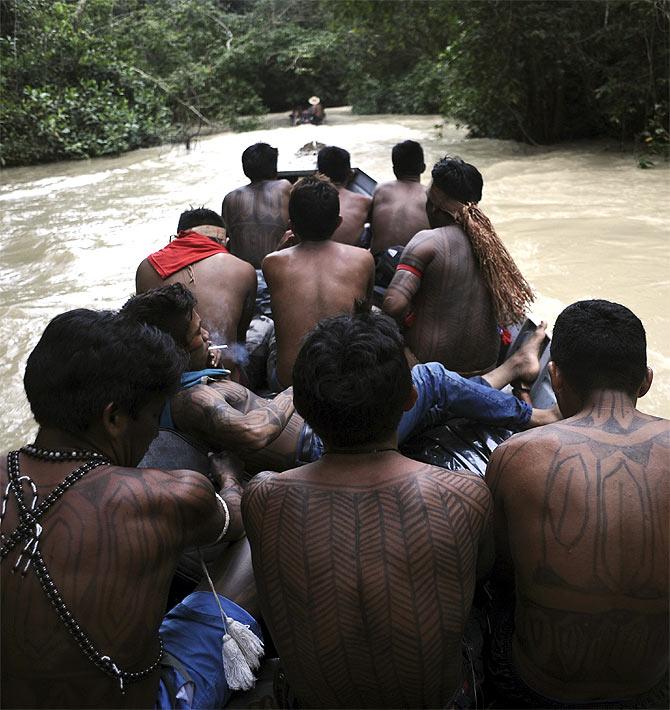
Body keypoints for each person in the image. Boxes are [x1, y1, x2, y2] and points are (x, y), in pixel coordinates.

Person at [0, 309, 262, 708]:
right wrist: (228, 478)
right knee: (258, 531)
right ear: (115, 418)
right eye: (155, 415)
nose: (156, 431)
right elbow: (236, 515)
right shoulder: (167, 495)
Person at [242, 311, 494, 707]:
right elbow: (478, 572)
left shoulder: (262, 497)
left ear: (303, 412)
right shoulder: (463, 495)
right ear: (411, 399)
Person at [121, 284, 559, 478]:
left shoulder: (180, 387)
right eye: (198, 333)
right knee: (434, 378)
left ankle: (511, 370)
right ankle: (538, 413)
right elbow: (253, 431)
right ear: (174, 351)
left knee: (435, 397)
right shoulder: (193, 397)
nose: (207, 336)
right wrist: (294, 393)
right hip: (318, 443)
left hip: (313, 434)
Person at [485, 300, 669, 708]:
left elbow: (497, 565)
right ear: (646, 381)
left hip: (540, 689)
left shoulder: (516, 455)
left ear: (556, 376)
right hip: (650, 686)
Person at [383, 156, 534, 377]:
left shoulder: (426, 241)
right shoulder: (493, 247)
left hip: (430, 374)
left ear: (434, 207)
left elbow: (393, 305)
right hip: (485, 371)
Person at [262, 175, 375, 388]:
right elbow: (364, 318)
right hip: (347, 379)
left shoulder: (272, 262)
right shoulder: (363, 259)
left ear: (291, 226)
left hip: (291, 384)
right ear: (338, 223)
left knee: (270, 331)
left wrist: (280, 248)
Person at [135, 207, 257, 381]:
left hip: (166, 380)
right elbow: (239, 341)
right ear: (223, 241)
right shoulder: (242, 268)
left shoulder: (146, 267)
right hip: (224, 379)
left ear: (178, 237)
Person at [222, 143, 292, 269]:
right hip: (276, 269)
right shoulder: (284, 187)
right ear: (274, 167)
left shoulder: (230, 198)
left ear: (245, 169)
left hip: (243, 273)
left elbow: (225, 238)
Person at [369, 140, 430, 255]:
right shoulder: (430, 195)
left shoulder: (381, 190)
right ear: (423, 168)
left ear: (394, 169)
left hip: (379, 264)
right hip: (412, 266)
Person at [316, 146, 372, 246]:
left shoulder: (303, 198)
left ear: (318, 174)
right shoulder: (364, 202)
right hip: (348, 257)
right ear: (349, 174)